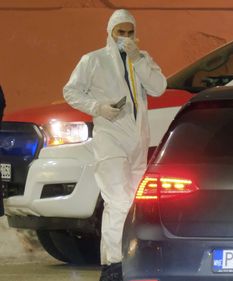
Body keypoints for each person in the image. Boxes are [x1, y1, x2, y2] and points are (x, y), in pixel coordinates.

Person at [63, 9, 167, 281]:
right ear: (110, 32)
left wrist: (137, 58)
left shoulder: (141, 60)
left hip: (137, 140)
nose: (125, 37)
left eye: (130, 32)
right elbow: (70, 91)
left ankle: (121, 261)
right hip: (110, 139)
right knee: (118, 201)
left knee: (130, 202)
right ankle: (114, 264)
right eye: (120, 32)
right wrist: (97, 107)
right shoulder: (93, 60)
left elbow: (158, 87)